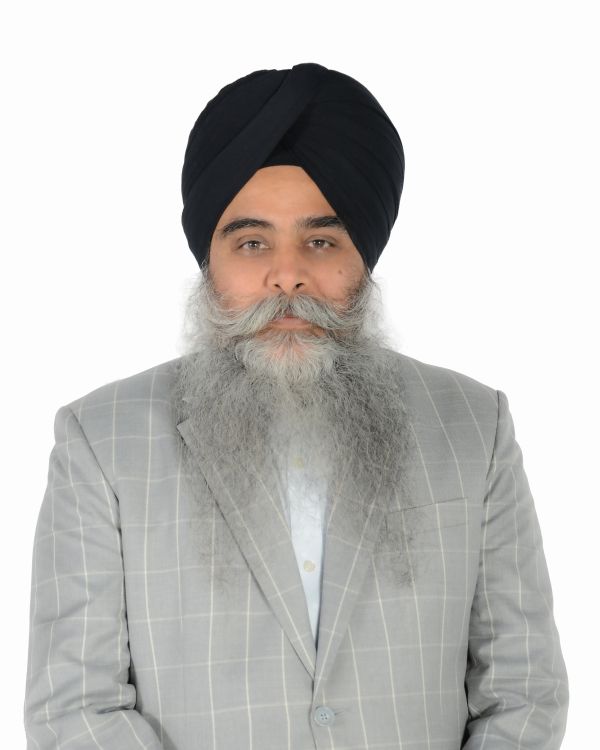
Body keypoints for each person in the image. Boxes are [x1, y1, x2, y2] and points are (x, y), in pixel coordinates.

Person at [23, 62, 569, 749]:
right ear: (210, 263)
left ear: (363, 259)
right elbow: (75, 708)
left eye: (321, 241)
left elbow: (524, 691)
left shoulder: (474, 425)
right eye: (252, 243)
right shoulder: (101, 440)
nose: (287, 275)